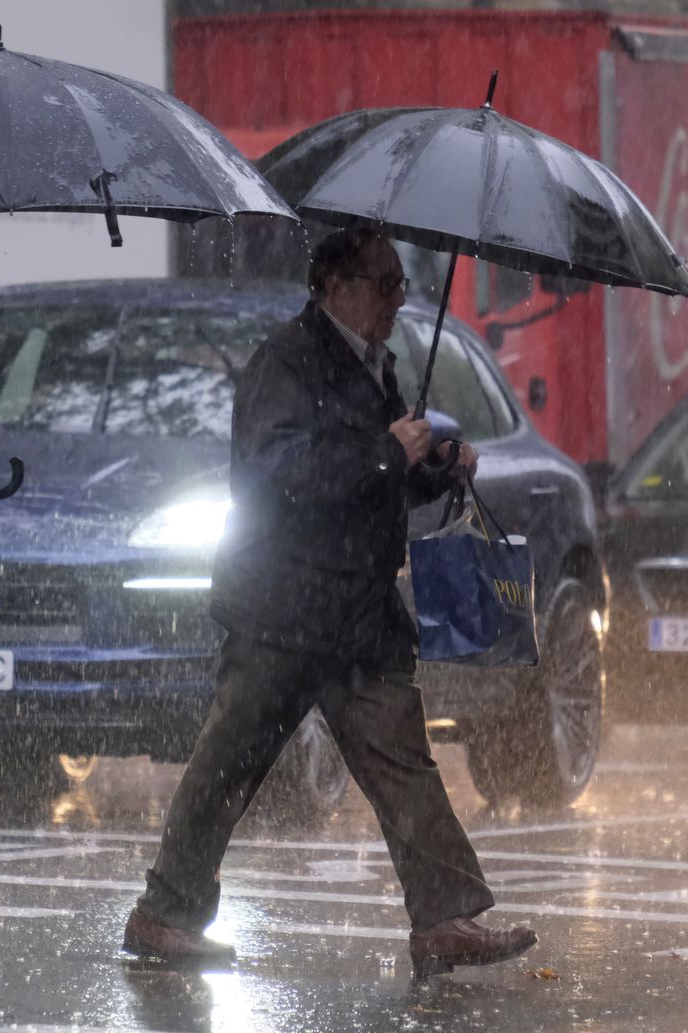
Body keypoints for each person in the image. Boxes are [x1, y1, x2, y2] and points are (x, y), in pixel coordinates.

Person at [122, 227, 538, 978]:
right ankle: (165, 914)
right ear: (335, 286)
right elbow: (280, 476)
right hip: (282, 611)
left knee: (403, 761)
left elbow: (378, 482)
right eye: (384, 283)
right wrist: (387, 452)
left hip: (357, 613)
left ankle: (444, 919)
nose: (398, 298)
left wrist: (436, 467)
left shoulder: (374, 364)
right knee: (228, 763)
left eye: (401, 283)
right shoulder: (284, 362)